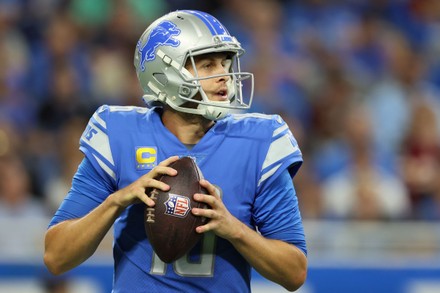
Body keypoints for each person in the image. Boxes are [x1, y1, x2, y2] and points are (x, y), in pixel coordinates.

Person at [43, 10, 307, 292]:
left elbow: (294, 272)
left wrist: (234, 229)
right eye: (207, 65)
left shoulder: (258, 142)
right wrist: (117, 201)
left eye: (225, 63)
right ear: (164, 73)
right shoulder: (120, 135)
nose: (224, 76)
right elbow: (56, 257)